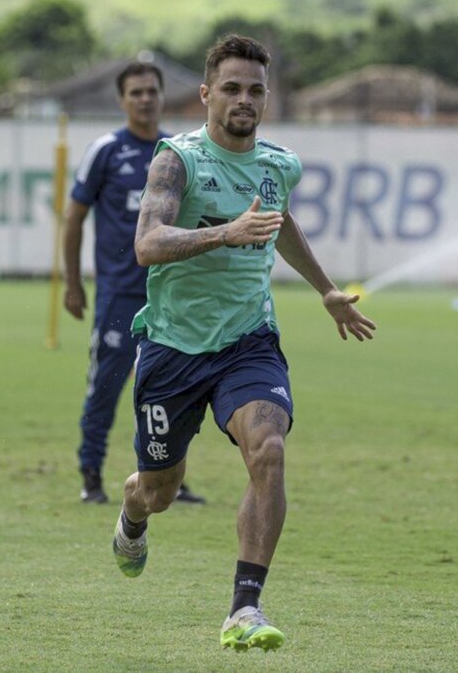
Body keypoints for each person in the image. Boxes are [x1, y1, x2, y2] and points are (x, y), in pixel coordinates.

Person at [110, 35, 376, 652]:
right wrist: (226, 233)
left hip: (248, 342)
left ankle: (244, 607)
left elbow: (280, 225)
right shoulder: (178, 160)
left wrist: (326, 291)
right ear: (206, 94)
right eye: (231, 88)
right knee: (160, 491)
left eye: (255, 89)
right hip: (173, 347)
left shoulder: (279, 164)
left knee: (269, 450)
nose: (244, 100)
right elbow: (148, 244)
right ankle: (132, 512)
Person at [63, 61, 206, 506]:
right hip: (120, 295)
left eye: (151, 91)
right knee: (105, 386)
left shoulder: (178, 152)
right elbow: (74, 218)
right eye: (136, 92)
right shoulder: (106, 150)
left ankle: (169, 479)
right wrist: (73, 282)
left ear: (162, 96)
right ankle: (91, 476)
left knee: (174, 391)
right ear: (123, 100)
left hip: (169, 297)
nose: (145, 99)